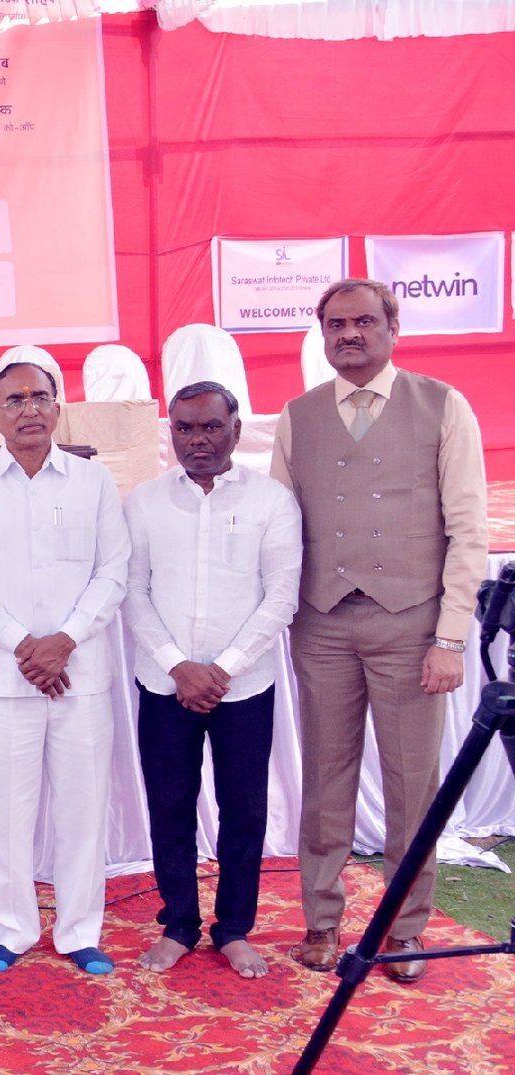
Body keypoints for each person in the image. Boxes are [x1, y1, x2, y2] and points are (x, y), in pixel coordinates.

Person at [272, 278, 488, 982]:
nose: (349, 334)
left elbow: (469, 530)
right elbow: (279, 530)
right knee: (324, 779)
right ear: (323, 335)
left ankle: (406, 929)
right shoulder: (298, 416)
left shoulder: (444, 405)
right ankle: (321, 922)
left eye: (364, 321)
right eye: (336, 324)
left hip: (412, 625)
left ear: (394, 329)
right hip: (322, 626)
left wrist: (450, 637)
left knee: (411, 784)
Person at [0, 361, 129, 976]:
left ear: (58, 407)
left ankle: (80, 932)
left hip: (80, 674)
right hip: (3, 677)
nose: (30, 409)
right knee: (8, 811)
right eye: (15, 400)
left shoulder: (92, 481)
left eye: (41, 397)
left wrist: (64, 641)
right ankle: (13, 929)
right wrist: (25, 645)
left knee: (82, 810)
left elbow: (114, 571)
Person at [124, 382, 301, 979]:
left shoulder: (271, 501)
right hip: (165, 684)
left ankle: (233, 930)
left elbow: (281, 596)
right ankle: (178, 924)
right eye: (184, 428)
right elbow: (134, 591)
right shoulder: (144, 502)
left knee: (243, 809)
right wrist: (179, 665)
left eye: (210, 427)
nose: (197, 440)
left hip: (242, 686)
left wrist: (222, 669)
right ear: (170, 432)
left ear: (236, 429)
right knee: (169, 805)